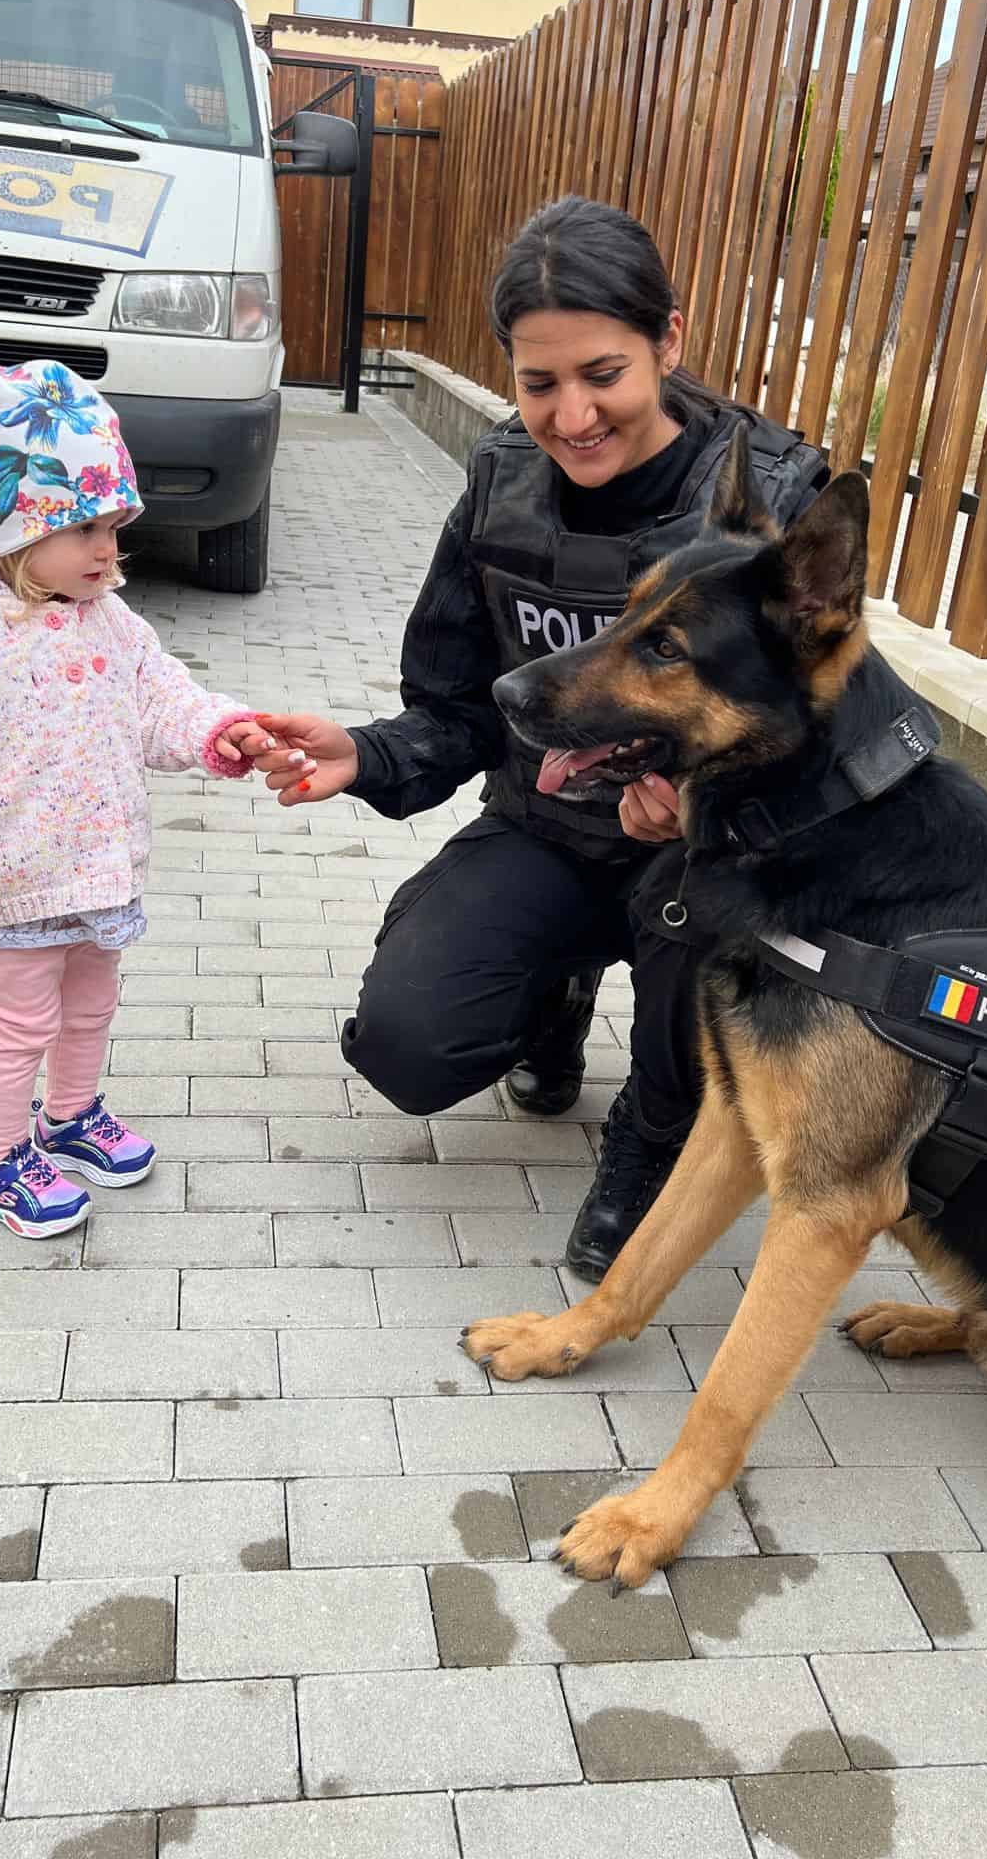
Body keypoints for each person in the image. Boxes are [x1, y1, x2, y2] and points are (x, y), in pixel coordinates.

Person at [252, 196, 828, 1281]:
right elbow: (464, 704)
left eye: (602, 373)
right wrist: (364, 752)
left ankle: (650, 1140)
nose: (570, 416)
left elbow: (821, 744)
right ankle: (551, 994)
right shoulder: (500, 480)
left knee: (700, 963)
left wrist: (710, 809)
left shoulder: (767, 504)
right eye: (538, 381)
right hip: (547, 825)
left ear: (669, 341)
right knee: (408, 1047)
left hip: (706, 865)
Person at [0, 361, 274, 1238]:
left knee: (91, 1005)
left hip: (96, 872)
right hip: (8, 883)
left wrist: (216, 730)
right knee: (21, 1027)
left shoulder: (110, 620)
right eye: (84, 527)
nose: (107, 551)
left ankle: (70, 1116)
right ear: (12, 529)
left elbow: (158, 692)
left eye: (115, 526)